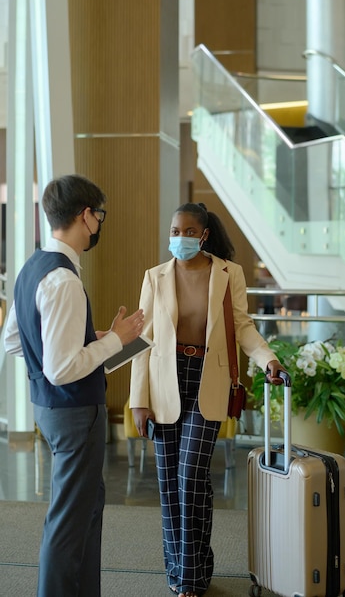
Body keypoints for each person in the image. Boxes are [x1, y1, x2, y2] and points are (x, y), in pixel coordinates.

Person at [129, 202, 287, 597]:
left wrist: (268, 359)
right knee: (171, 482)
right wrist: (137, 400)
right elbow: (142, 342)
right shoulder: (154, 276)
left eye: (186, 231)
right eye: (173, 230)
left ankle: (191, 578)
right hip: (164, 382)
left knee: (190, 475)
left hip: (208, 380)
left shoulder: (227, 273)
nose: (178, 237)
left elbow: (243, 327)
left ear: (203, 235)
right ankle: (182, 568)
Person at [4, 174, 145, 597]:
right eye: (98, 216)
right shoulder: (64, 280)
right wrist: (118, 342)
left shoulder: (32, 266)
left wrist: (95, 340)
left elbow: (13, 341)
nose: (99, 226)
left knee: (85, 511)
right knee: (69, 522)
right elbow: (62, 369)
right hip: (75, 413)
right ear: (86, 215)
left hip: (49, 411)